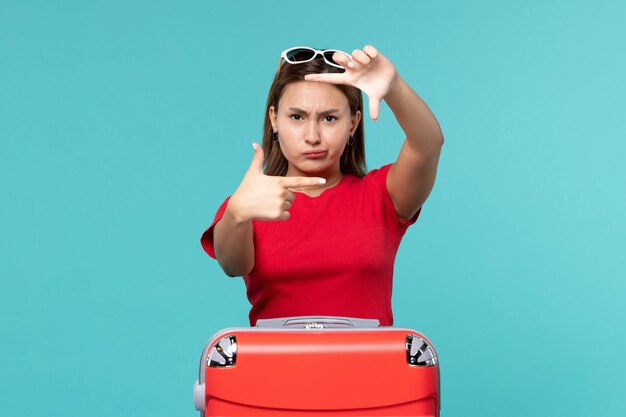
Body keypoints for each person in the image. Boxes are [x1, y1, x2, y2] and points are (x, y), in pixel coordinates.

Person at [200, 45, 444, 326]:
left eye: (329, 118)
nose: (313, 136)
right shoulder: (251, 202)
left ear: (353, 123)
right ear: (274, 119)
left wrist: (394, 87)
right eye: (297, 117)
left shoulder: (381, 195)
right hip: (274, 368)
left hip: (370, 368)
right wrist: (236, 213)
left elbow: (428, 145)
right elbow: (233, 266)